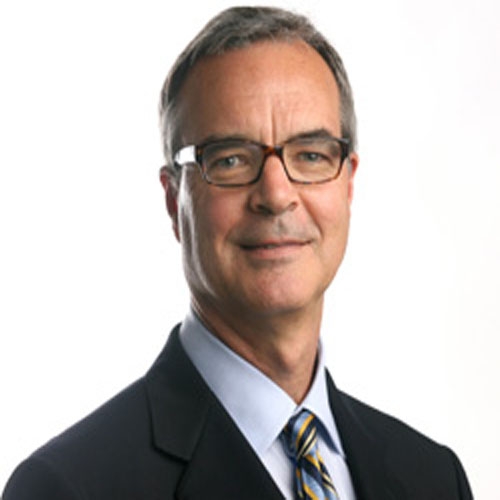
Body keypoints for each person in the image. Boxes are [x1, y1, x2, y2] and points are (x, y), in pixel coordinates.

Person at [3, 6, 473, 500]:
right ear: (174, 200)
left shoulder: (434, 478)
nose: (276, 194)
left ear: (348, 184)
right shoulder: (68, 487)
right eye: (230, 160)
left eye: (311, 156)